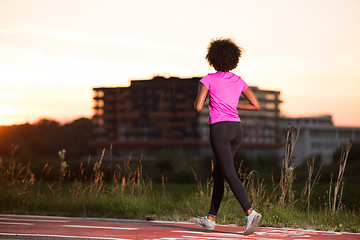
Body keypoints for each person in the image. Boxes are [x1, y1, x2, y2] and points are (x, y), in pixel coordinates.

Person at [193, 37, 262, 235]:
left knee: (229, 172)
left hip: (220, 130)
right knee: (219, 173)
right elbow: (256, 106)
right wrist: (233, 104)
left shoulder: (208, 79)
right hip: (236, 130)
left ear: (212, 58)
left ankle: (250, 212)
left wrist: (206, 99)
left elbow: (198, 107)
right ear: (233, 59)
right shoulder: (238, 80)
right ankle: (211, 219)